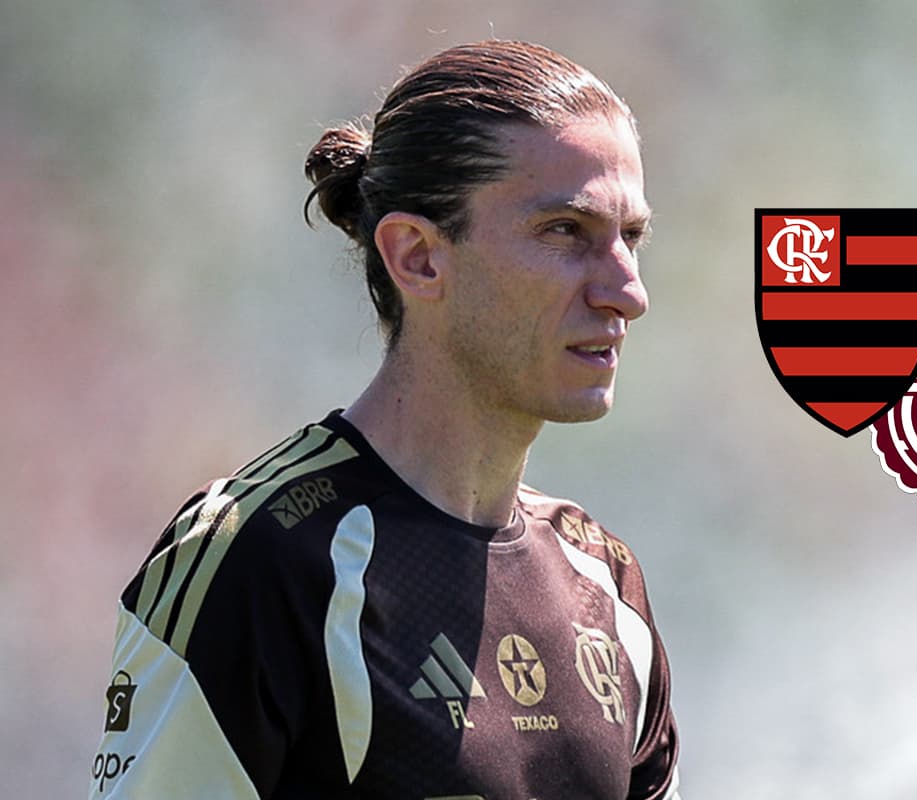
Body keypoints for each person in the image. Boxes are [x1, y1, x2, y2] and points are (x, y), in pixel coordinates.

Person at [88, 40, 681, 800]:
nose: (628, 292)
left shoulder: (605, 582)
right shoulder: (259, 558)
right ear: (417, 257)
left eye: (630, 238)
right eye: (565, 231)